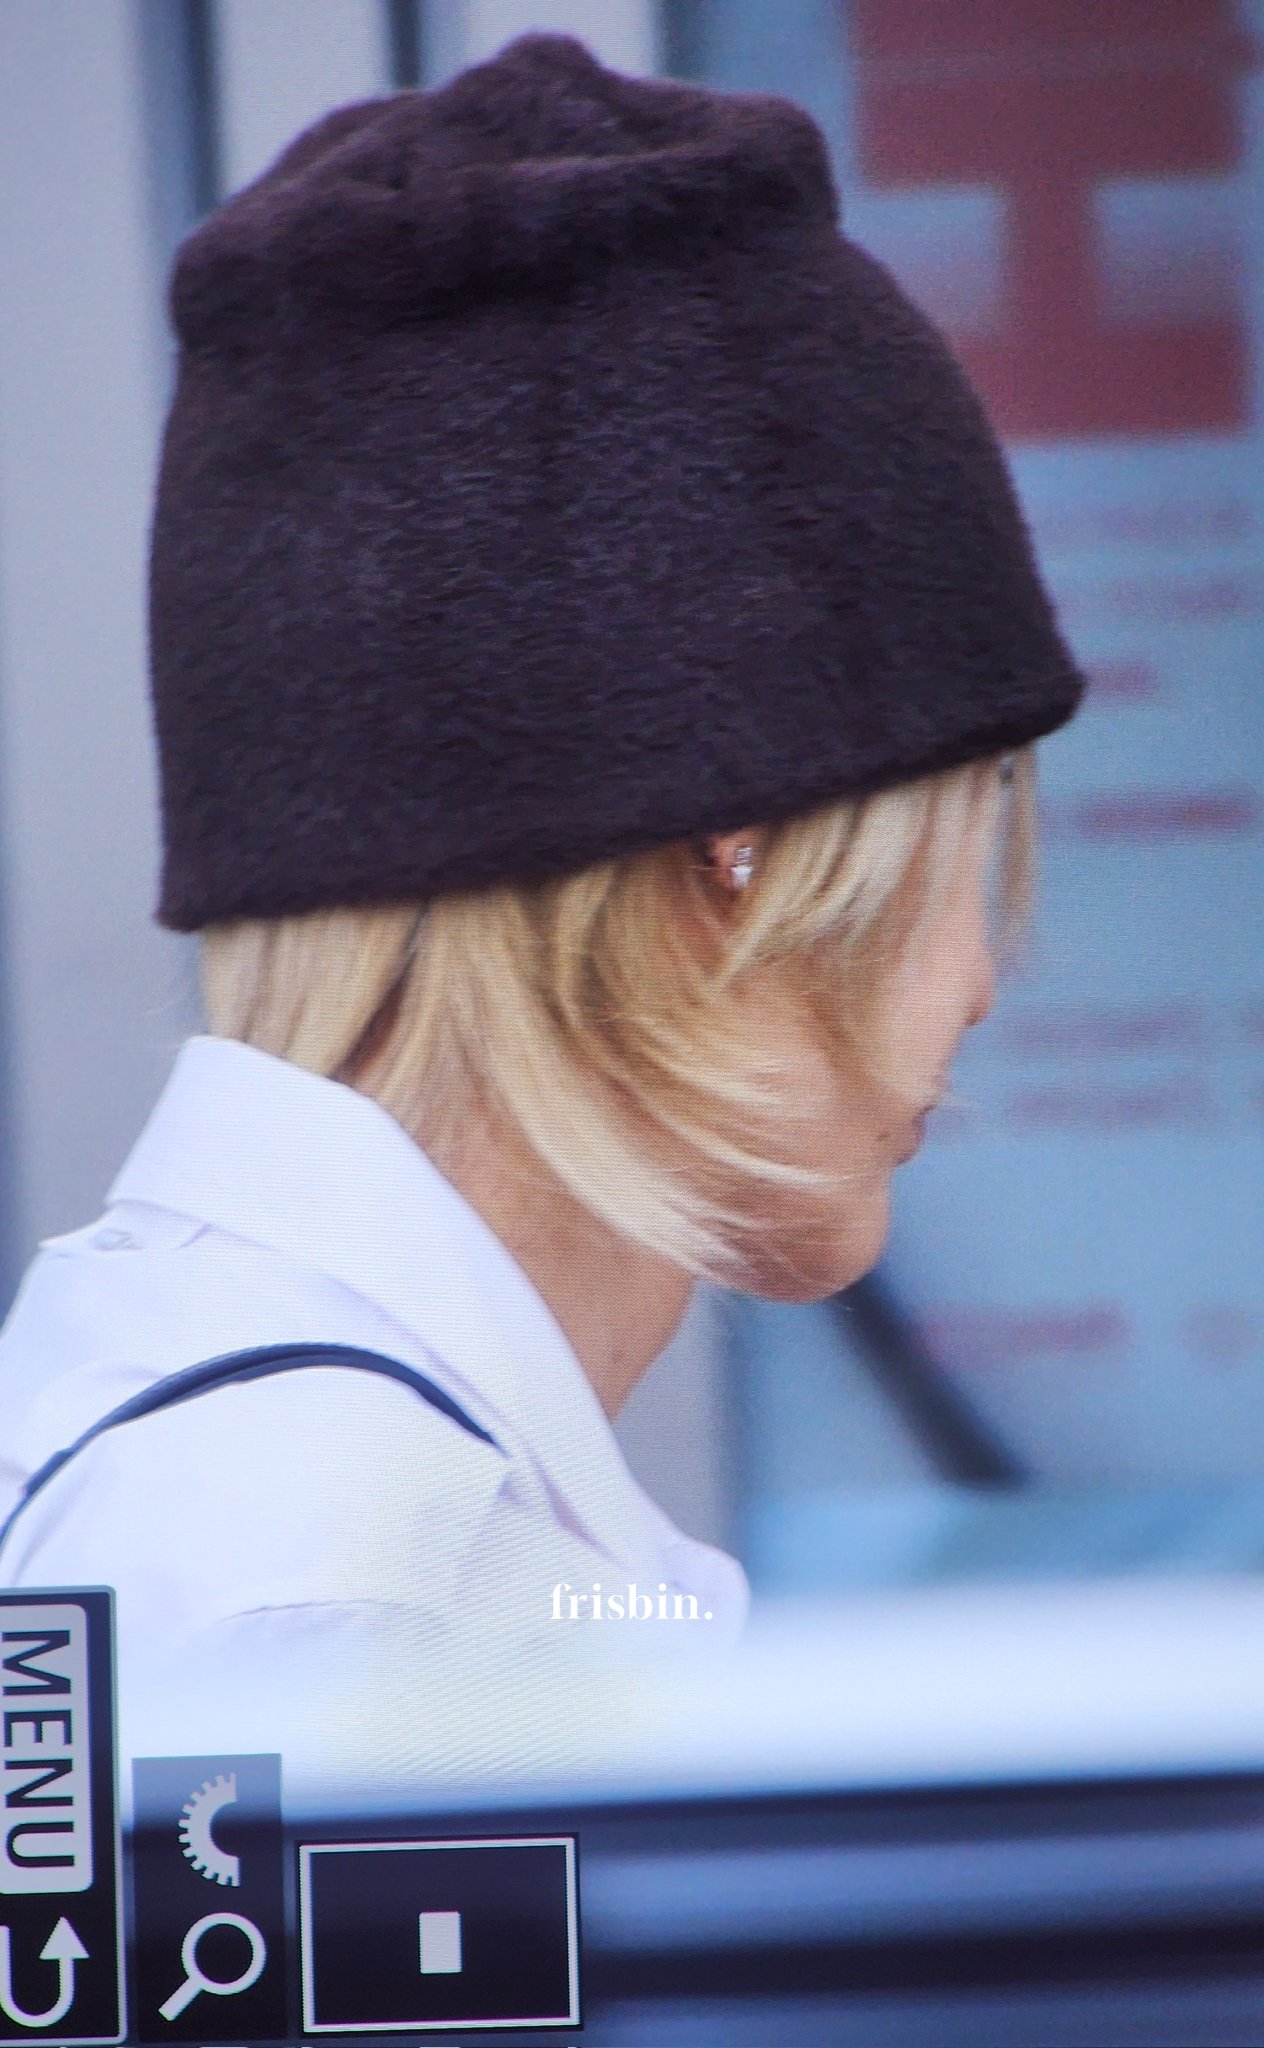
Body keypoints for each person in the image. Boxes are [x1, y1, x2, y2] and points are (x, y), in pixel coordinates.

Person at [0, 34, 1083, 1779]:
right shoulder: (339, 1595)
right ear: (742, 849)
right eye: (971, 840)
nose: (982, 980)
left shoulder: (290, 1480)